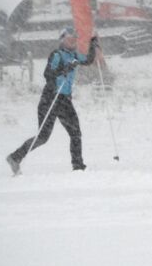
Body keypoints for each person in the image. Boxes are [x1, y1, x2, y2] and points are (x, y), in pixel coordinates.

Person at [7, 26, 99, 174]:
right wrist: (64, 69)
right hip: (50, 98)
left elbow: (88, 60)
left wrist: (93, 45)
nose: (72, 42)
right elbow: (48, 74)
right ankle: (15, 157)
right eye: (69, 39)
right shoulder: (57, 55)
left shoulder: (74, 55)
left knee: (75, 132)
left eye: (74, 39)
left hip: (64, 100)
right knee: (43, 137)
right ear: (62, 40)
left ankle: (78, 166)